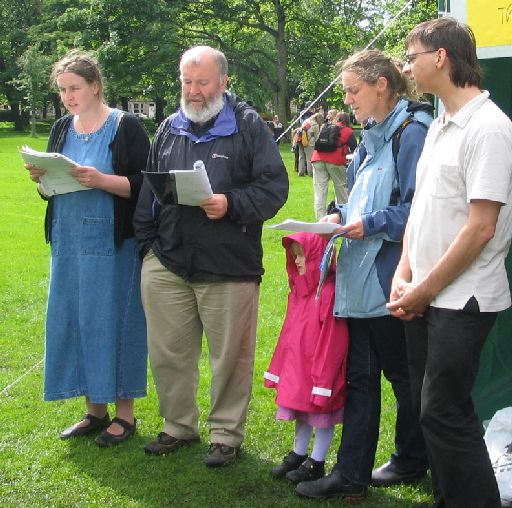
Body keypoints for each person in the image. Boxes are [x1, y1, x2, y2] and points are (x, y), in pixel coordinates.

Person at [133, 45, 288, 467]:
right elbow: (149, 190)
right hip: (168, 260)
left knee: (229, 359)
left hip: (228, 264)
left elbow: (274, 189)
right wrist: (148, 247)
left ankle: (225, 435)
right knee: (167, 352)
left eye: (202, 82)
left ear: (223, 82)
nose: (194, 91)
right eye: (187, 81)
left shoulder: (248, 126)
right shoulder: (169, 127)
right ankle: (178, 425)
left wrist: (230, 204)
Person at [295, 48, 433, 500]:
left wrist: (370, 223)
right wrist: (337, 216)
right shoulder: (372, 136)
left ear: (382, 85)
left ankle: (410, 461)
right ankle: (353, 474)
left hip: (390, 281)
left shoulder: (412, 134)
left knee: (403, 377)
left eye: (354, 91)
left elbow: (421, 211)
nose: (348, 100)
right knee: (363, 378)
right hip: (360, 282)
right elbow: (360, 199)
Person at [388, 17, 512, 508]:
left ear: (440, 57)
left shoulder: (490, 127)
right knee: (431, 411)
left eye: (411, 56)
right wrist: (404, 272)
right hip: (426, 292)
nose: (406, 66)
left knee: (444, 413)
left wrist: (423, 287)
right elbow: (422, 212)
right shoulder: (439, 124)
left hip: (464, 298)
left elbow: (481, 227)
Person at [25, 50, 149, 446]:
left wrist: (101, 180)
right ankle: (95, 411)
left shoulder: (125, 126)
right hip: (68, 243)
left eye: (74, 88)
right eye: (62, 90)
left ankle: (125, 416)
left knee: (115, 321)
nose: (68, 96)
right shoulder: (62, 128)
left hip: (113, 245)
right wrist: (41, 179)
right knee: (75, 320)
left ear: (95, 86)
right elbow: (50, 190)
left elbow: (146, 187)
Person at [264, 233, 349, 484]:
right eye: (294, 256)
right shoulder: (298, 292)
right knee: (300, 411)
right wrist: (279, 367)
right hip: (299, 369)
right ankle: (299, 453)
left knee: (321, 416)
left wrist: (324, 381)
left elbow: (333, 340)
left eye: (302, 255)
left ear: (318, 257)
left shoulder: (328, 293)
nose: (297, 261)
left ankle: (317, 460)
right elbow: (288, 333)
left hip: (319, 371)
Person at [310, 111, 357, 220]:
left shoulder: (326, 128)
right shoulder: (348, 131)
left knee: (320, 191)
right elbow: (355, 149)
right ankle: (342, 217)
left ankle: (320, 220)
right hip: (336, 161)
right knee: (341, 190)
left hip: (317, 159)